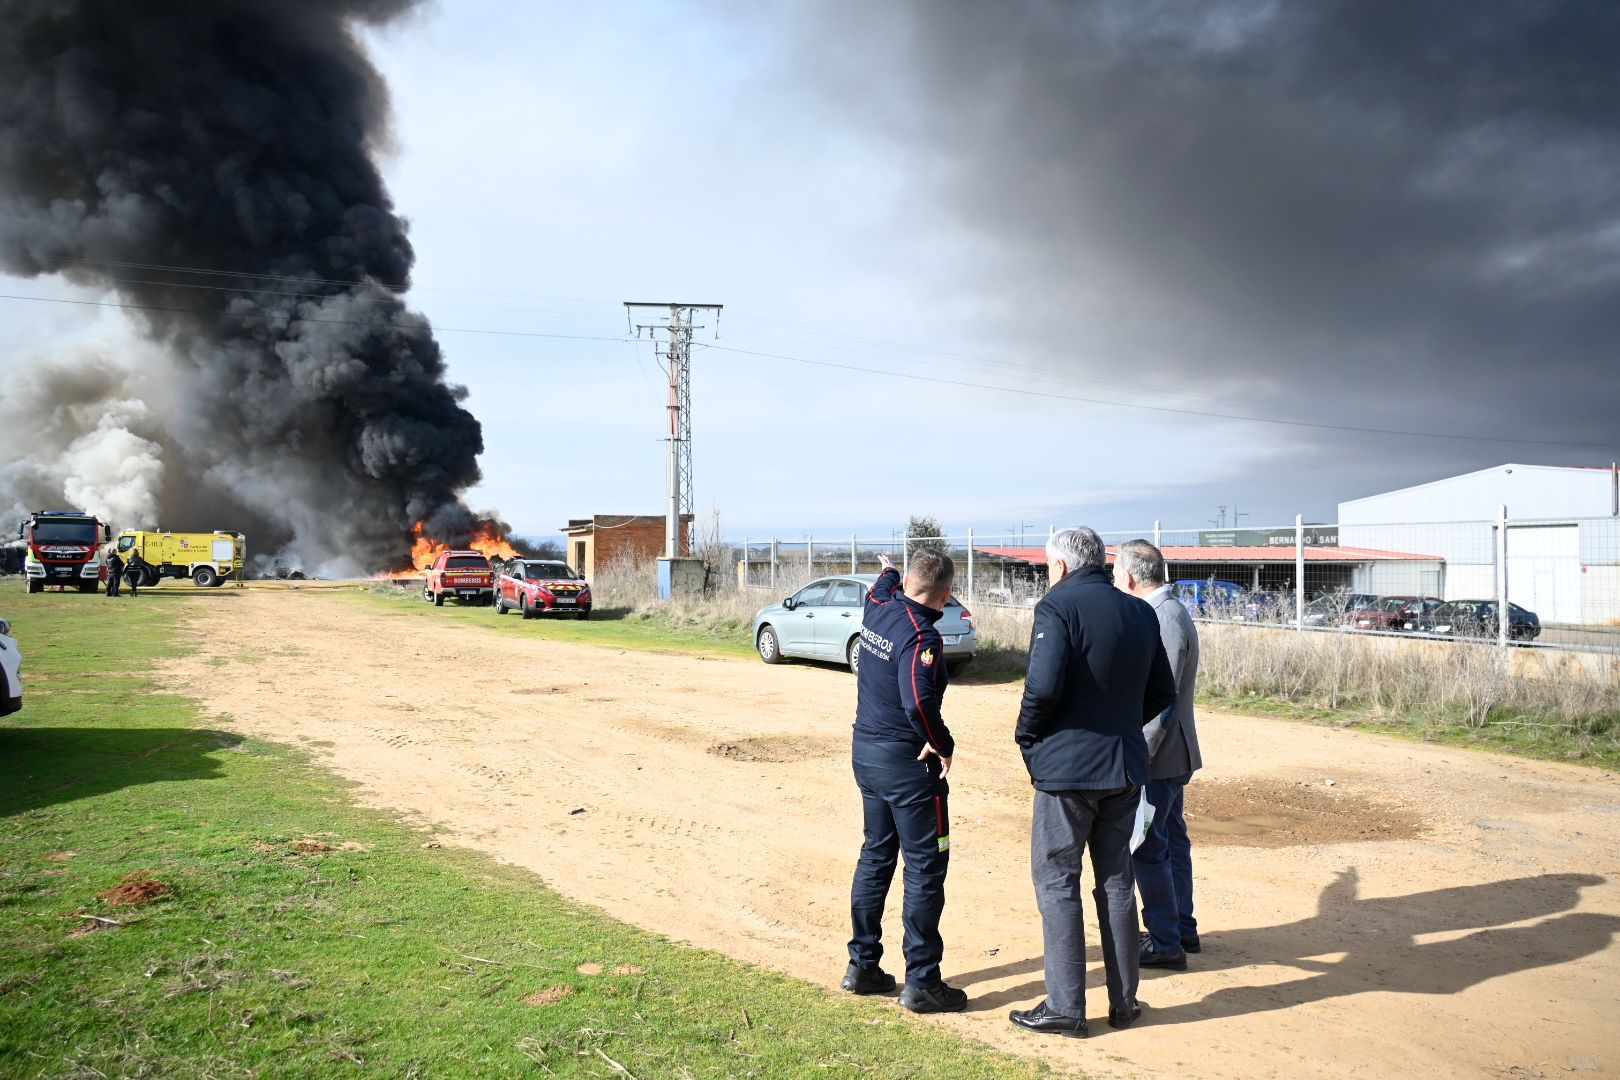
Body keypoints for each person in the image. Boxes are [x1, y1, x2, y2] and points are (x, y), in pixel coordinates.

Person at [1009, 526, 1176, 1039]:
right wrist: (1120, 726)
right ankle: (1123, 1002)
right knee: (1116, 879)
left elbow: (1043, 685)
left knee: (1058, 878)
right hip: (1124, 766)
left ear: (1059, 565)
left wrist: (1028, 737)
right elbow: (1161, 691)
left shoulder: (1057, 606)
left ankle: (1065, 1005)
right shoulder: (1139, 611)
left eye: (1045, 566)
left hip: (1068, 771)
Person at [843, 549, 966, 1013]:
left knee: (876, 854)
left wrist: (888, 567)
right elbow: (918, 701)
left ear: (906, 581)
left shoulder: (880, 606)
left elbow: (879, 586)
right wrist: (942, 742)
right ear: (947, 594)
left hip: (867, 755)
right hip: (906, 765)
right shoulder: (922, 635)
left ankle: (863, 965)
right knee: (925, 867)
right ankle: (923, 981)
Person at [1115, 539, 1203, 970]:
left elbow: (1160, 701)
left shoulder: (1163, 617)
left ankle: (1166, 940)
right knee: (1170, 841)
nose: (1114, 581)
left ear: (1130, 577)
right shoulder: (1166, 611)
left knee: (1147, 846)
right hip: (1170, 756)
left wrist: (1138, 759)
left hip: (1160, 758)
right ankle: (1181, 928)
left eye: (1115, 574)